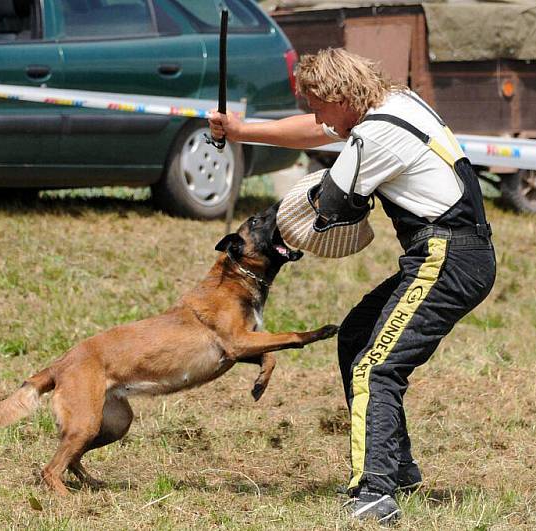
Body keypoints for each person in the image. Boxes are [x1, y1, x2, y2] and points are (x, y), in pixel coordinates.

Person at [209, 48, 496, 524]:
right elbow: (320, 129)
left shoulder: (375, 136)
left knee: (375, 369)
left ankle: (374, 494)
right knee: (358, 335)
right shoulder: (396, 102)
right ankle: (399, 469)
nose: (317, 117)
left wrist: (297, 213)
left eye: (318, 104)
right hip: (459, 253)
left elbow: (332, 209)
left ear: (341, 96)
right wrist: (241, 131)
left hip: (446, 258)